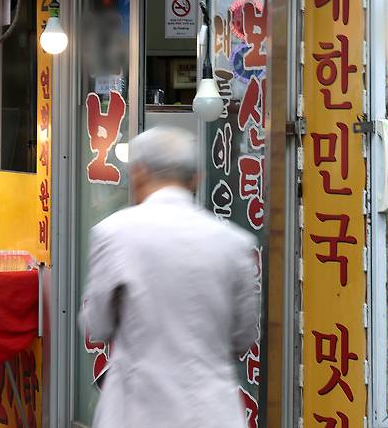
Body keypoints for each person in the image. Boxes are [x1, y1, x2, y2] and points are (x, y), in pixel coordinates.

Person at [79, 126, 259, 428]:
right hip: (213, 414)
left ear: (138, 173)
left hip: (137, 411)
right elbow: (244, 337)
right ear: (195, 179)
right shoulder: (235, 243)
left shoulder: (114, 234)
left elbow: (97, 324)